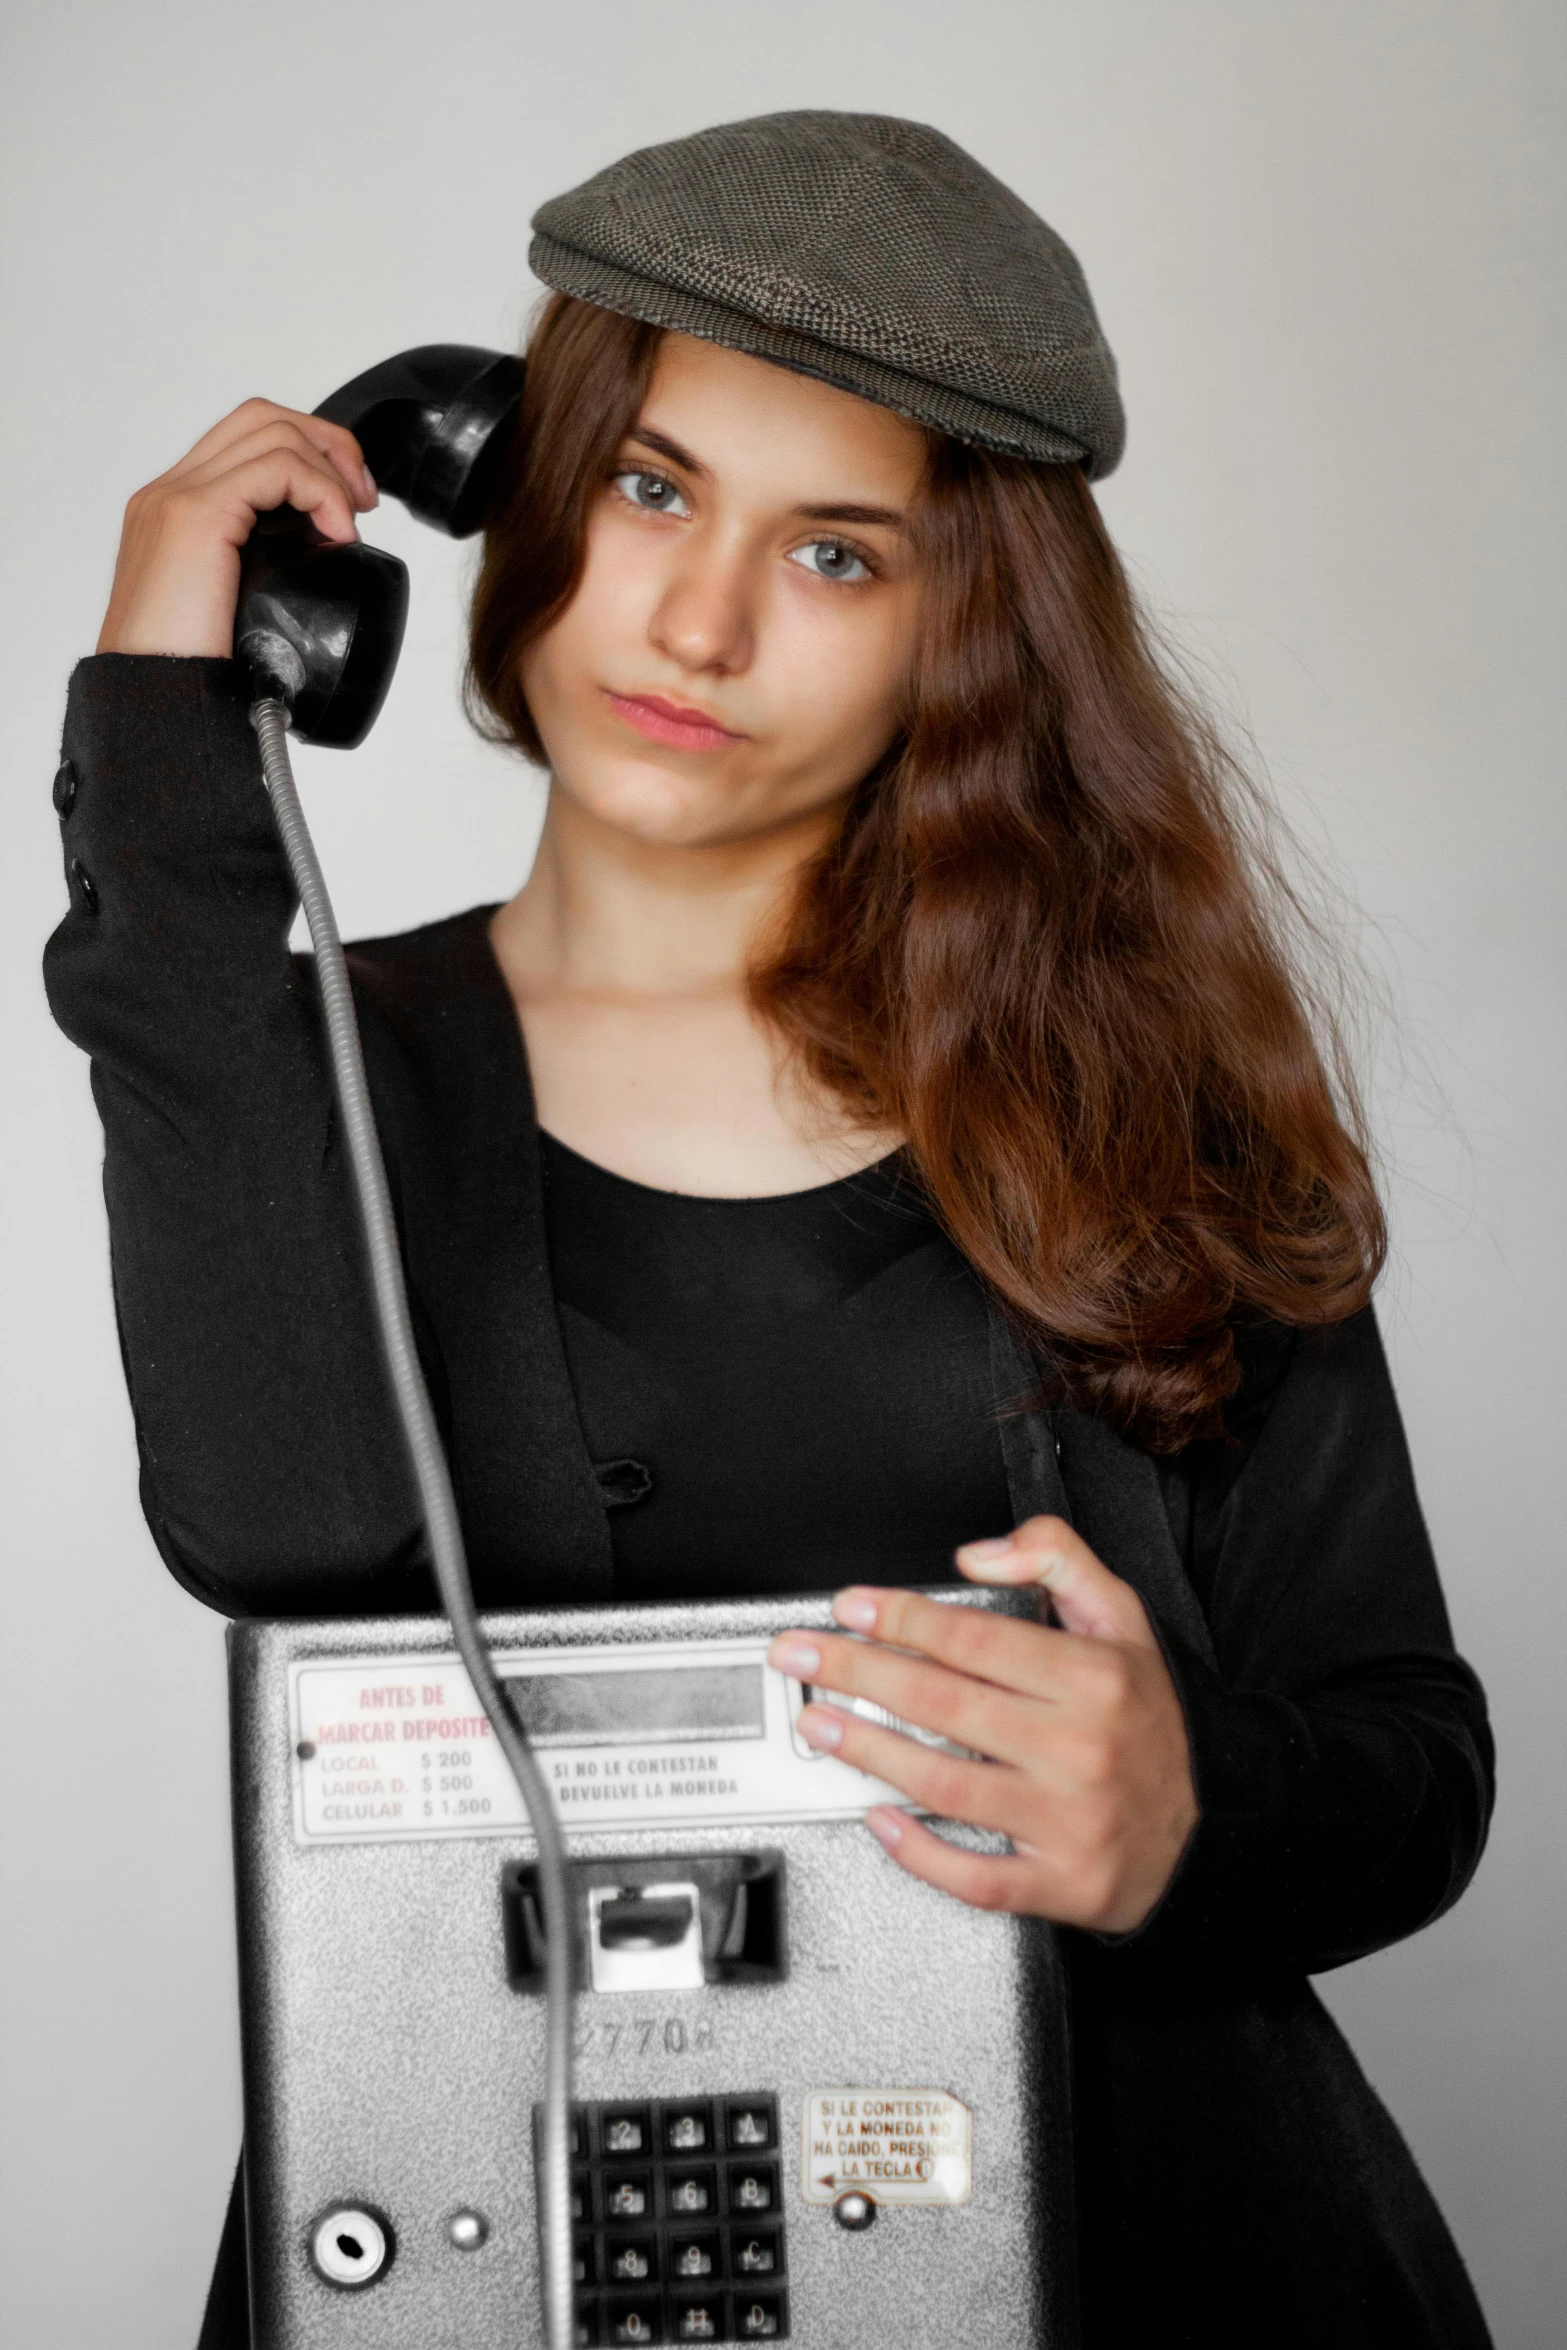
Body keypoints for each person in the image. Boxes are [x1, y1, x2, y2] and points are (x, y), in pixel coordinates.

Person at [45, 112, 1493, 2350]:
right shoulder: (312, 1064)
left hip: (1173, 2250)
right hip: (492, 2247)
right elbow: (282, 1519)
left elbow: (1410, 1753)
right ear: (518, 490)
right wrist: (168, 735)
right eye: (650, 489)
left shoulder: (1132, 1097)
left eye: (837, 556)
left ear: (963, 632)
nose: (699, 623)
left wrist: (1187, 1808)